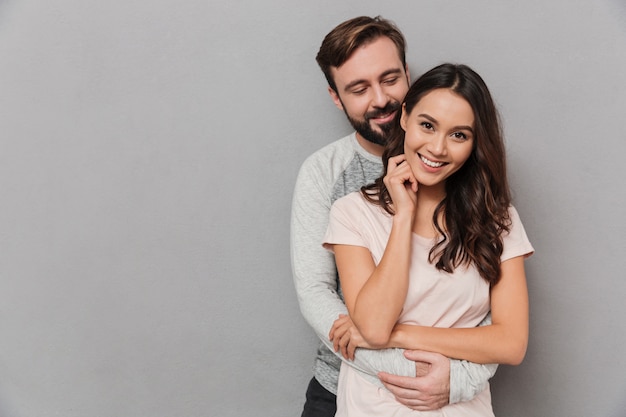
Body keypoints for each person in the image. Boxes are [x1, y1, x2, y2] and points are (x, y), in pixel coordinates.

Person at [291, 16, 497, 417]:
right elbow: (316, 295)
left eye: (390, 79)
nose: (380, 99)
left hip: (449, 387)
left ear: (408, 73)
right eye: (358, 88)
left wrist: (458, 381)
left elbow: (487, 303)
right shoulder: (325, 174)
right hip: (345, 385)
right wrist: (408, 372)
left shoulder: (461, 173)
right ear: (336, 97)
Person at [323, 63, 534, 416]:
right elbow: (374, 327)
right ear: (404, 116)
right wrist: (403, 216)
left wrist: (400, 334)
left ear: (475, 142)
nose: (437, 148)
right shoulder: (352, 213)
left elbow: (512, 343)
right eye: (427, 125)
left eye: (459, 135)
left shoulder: (499, 219)